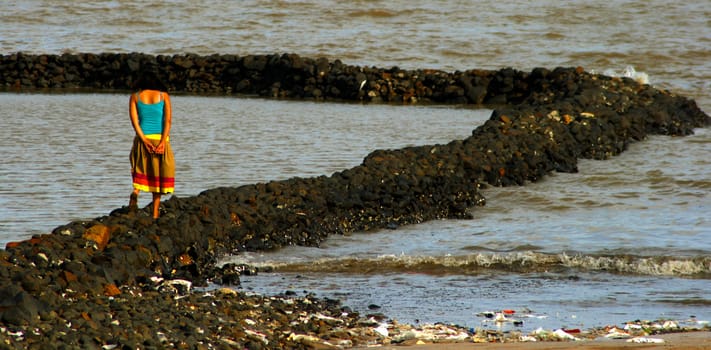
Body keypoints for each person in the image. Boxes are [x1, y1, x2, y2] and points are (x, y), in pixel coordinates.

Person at [128, 69, 175, 219]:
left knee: (140, 167)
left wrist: (144, 140)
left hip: (143, 138)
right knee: (158, 174)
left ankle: (136, 192)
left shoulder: (135, 97)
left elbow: (135, 122)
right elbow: (167, 121)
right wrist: (162, 142)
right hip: (160, 138)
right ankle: (155, 213)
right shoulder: (163, 96)